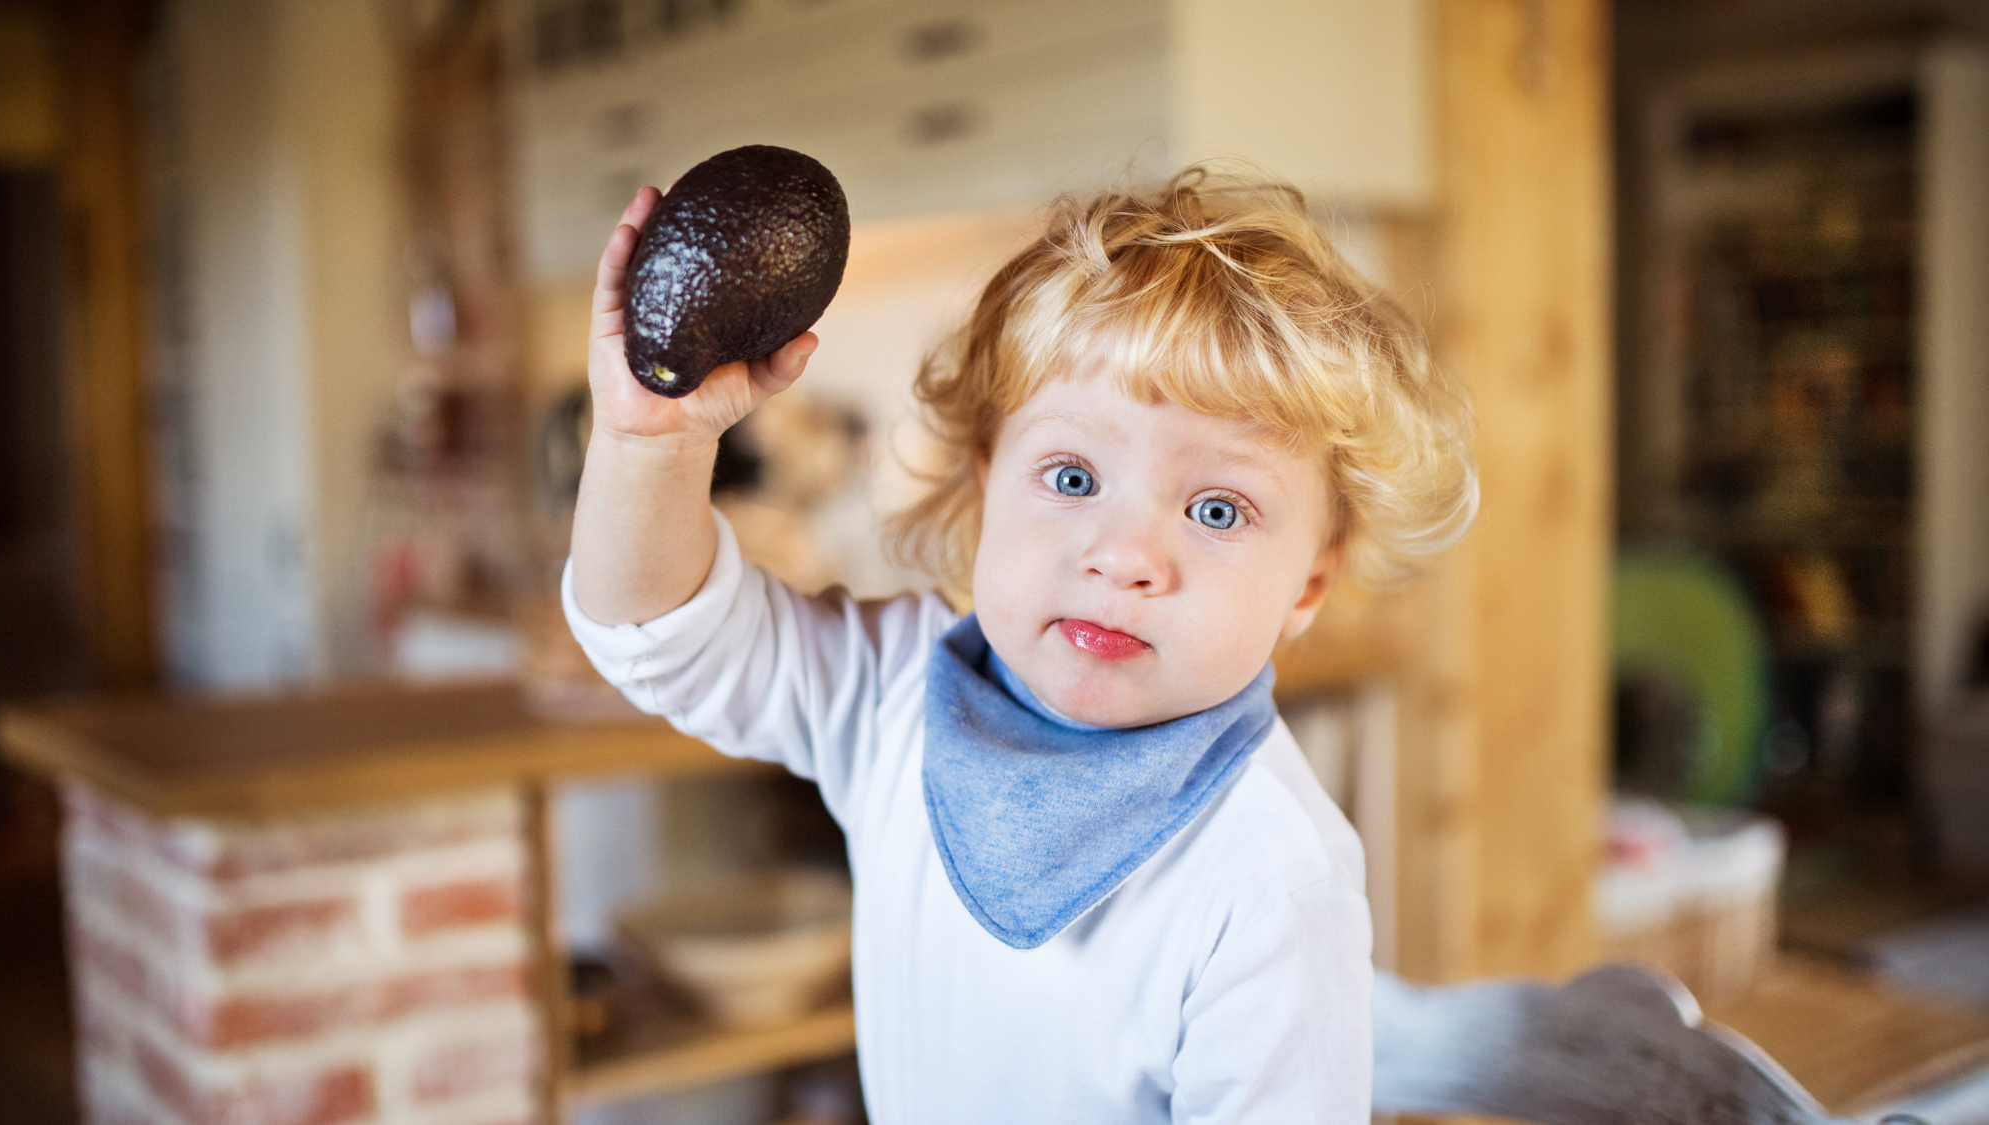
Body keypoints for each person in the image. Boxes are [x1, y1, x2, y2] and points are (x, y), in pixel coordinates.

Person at [564, 166, 1478, 1124]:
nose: (1123, 557)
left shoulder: (1273, 878)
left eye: (1218, 508)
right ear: (986, 482)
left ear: (1312, 585)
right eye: (1074, 478)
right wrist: (649, 445)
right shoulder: (891, 693)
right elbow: (658, 635)